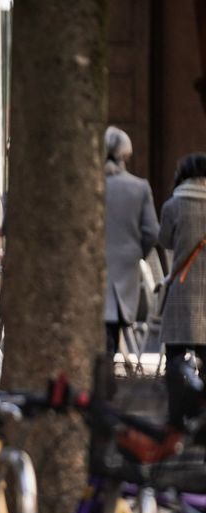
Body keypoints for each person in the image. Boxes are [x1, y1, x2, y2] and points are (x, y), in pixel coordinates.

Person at [103, 126, 159, 356]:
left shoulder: (90, 184)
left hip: (93, 265)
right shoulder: (139, 187)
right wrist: (138, 252)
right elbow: (152, 231)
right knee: (115, 322)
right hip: (126, 265)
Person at [159, 152, 206, 422]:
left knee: (175, 358)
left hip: (182, 291)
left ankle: (176, 419)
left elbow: (164, 240)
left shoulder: (173, 205)